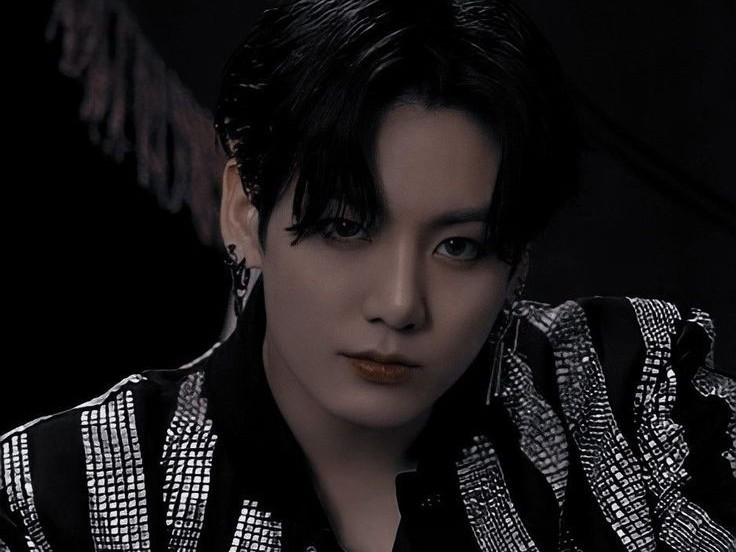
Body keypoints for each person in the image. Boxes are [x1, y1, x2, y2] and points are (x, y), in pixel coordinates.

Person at [2, 0, 734, 550]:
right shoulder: (65, 492)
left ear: (518, 263)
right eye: (346, 228)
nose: (400, 303)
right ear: (244, 214)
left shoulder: (634, 403)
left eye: (459, 247)